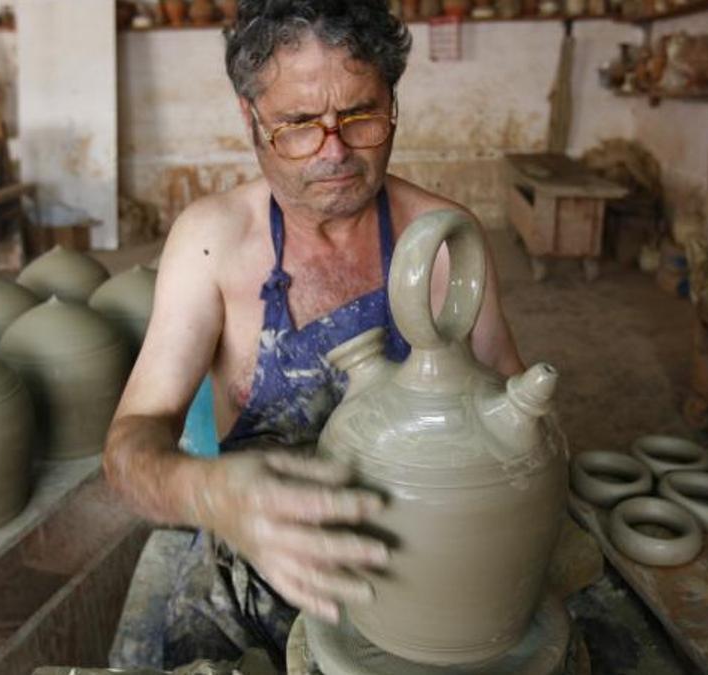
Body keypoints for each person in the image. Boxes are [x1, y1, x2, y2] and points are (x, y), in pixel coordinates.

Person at [104, 0, 524, 669]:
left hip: (421, 561)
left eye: (360, 116)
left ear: (393, 103)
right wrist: (212, 494)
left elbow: (517, 423)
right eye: (299, 124)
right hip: (262, 542)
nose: (334, 152)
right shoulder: (214, 243)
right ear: (251, 119)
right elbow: (128, 449)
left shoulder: (443, 239)